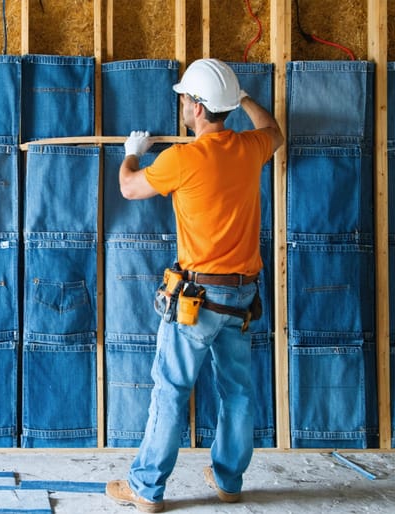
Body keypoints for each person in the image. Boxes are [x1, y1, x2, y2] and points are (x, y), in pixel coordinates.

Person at [105, 58, 284, 513]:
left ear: (199, 108)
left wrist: (132, 150)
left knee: (170, 390)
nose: (182, 102)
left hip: (198, 301)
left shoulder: (182, 159)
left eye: (186, 97)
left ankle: (146, 489)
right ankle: (228, 481)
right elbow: (276, 131)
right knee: (238, 393)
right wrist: (241, 97)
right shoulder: (250, 147)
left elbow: (128, 187)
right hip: (242, 298)